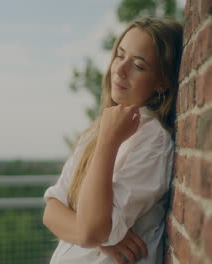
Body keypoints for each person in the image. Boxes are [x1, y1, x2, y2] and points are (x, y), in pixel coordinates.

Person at [43, 16, 183, 264]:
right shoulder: (95, 132)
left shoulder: (153, 141)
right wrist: (100, 240)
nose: (119, 69)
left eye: (138, 65)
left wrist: (109, 141)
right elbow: (51, 212)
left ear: (162, 82)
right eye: (119, 56)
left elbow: (91, 231)